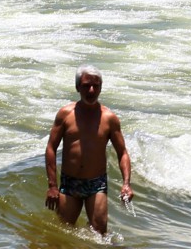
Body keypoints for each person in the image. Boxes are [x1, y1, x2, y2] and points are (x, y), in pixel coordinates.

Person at [44, 69, 133, 236]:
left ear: (101, 87)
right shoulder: (65, 114)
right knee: (63, 233)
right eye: (86, 86)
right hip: (70, 183)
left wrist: (126, 184)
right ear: (77, 87)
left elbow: (122, 153)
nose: (91, 90)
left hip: (96, 184)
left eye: (96, 86)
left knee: (99, 234)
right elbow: (51, 148)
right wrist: (52, 186)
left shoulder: (109, 118)